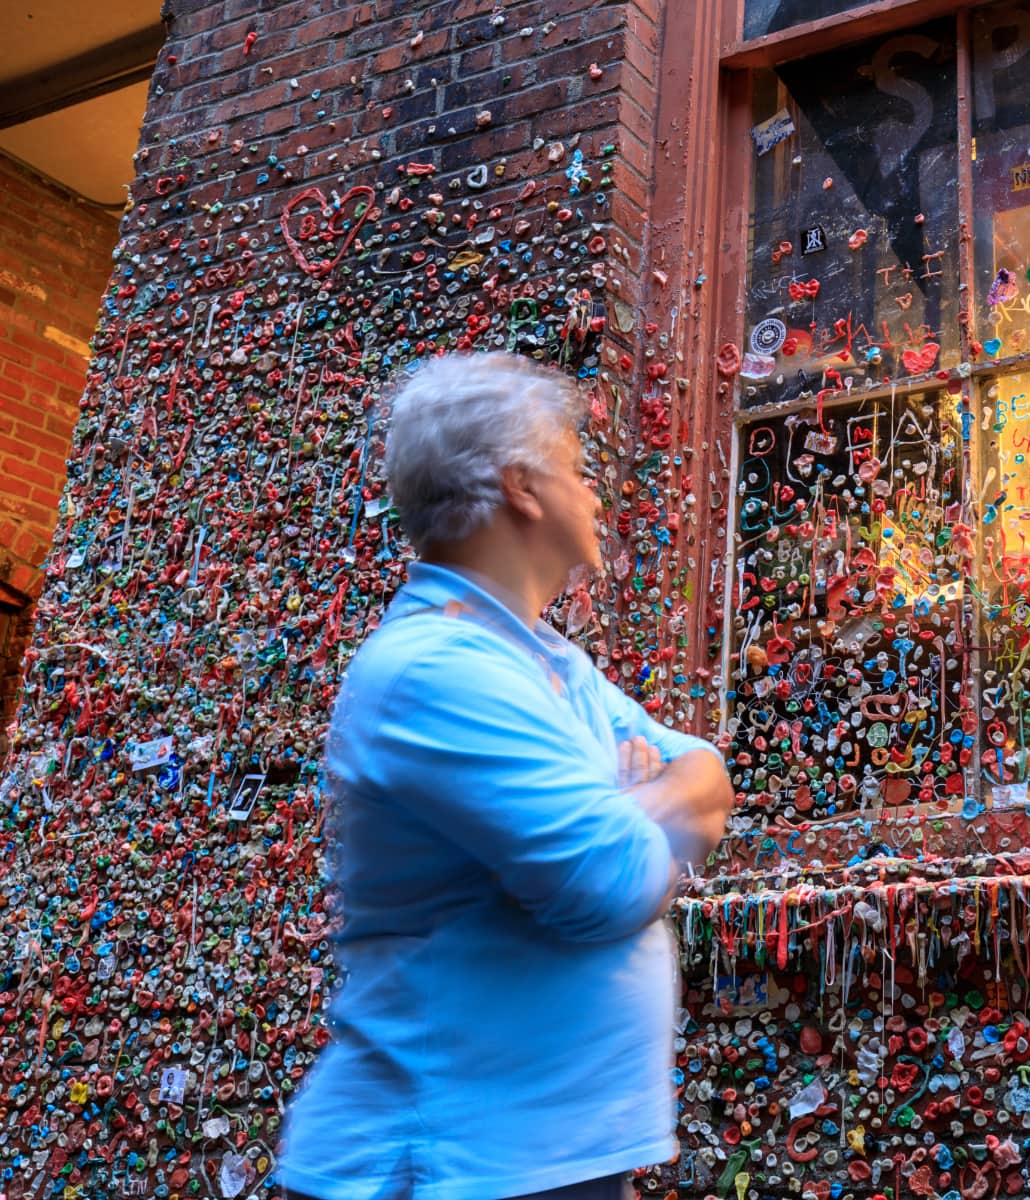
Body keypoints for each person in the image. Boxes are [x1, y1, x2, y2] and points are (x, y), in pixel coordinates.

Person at [280, 353, 735, 1200]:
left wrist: (638, 802)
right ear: (523, 487)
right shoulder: (434, 671)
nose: (596, 494)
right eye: (577, 469)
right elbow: (608, 882)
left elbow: (708, 770)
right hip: (446, 1163)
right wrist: (648, 816)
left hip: (547, 1156)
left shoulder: (552, 664)